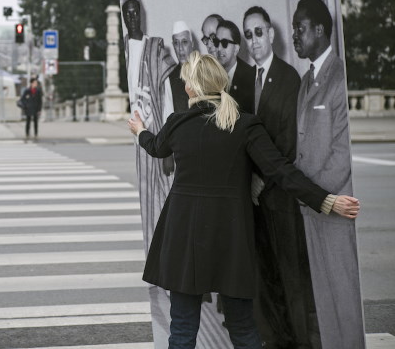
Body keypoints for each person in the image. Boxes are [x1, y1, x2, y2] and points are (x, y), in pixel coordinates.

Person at [127, 52, 359, 349]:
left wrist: (140, 131)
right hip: (231, 238)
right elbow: (282, 171)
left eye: (186, 82)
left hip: (184, 235)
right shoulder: (245, 124)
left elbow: (156, 147)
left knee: (183, 330)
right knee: (243, 329)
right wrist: (327, 201)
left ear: (192, 88)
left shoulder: (177, 123)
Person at [293, 0, 364, 348]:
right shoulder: (307, 80)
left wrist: (314, 195)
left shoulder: (340, 76)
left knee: (345, 300)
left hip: (335, 208)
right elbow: (302, 148)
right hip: (314, 208)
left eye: (299, 28)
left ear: (320, 30)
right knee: (324, 300)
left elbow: (342, 153)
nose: (294, 35)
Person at [242, 6, 313, 347]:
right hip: (253, 200)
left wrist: (262, 181)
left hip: (279, 195)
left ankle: (300, 341)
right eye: (248, 34)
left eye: (258, 32)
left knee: (291, 278)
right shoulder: (243, 81)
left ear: (271, 34)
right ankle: (276, 341)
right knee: (265, 278)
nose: (253, 40)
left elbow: (288, 141)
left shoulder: (288, 78)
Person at [120, 0, 174, 349]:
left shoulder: (155, 48)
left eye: (136, 11)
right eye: (127, 13)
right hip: (140, 137)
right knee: (147, 205)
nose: (132, 17)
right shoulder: (124, 50)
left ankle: (170, 263)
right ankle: (157, 266)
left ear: (143, 13)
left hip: (159, 134)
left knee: (166, 198)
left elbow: (169, 90)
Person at [214, 20, 255, 114]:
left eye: (224, 43)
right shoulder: (211, 77)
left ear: (236, 49)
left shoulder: (251, 77)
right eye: (216, 42)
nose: (219, 48)